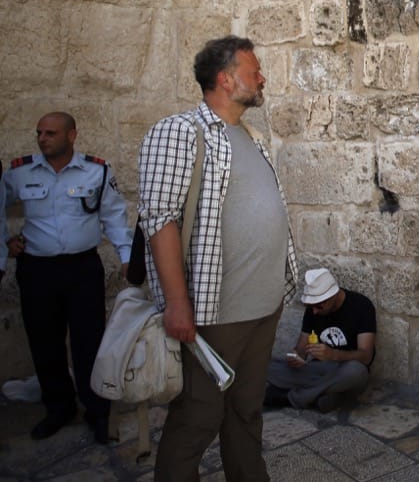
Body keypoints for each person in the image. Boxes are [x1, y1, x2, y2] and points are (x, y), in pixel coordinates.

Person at [138, 36, 299, 481]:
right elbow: (160, 219)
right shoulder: (180, 131)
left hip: (263, 307)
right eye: (254, 69)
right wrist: (176, 302)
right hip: (214, 311)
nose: (262, 77)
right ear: (226, 79)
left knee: (247, 411)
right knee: (197, 417)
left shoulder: (250, 136)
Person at [0, 112, 132, 444]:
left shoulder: (97, 171)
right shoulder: (19, 173)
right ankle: (58, 408)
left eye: (51, 133)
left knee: (90, 342)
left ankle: (98, 412)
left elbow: (114, 217)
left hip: (82, 270)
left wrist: (128, 257)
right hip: (37, 270)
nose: (43, 138)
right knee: (45, 342)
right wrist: (5, 241)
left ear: (72, 135)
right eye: (39, 133)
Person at [264, 268, 375, 412]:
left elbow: (366, 357)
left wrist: (333, 354)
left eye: (319, 306)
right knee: (265, 367)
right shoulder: (313, 310)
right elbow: (302, 349)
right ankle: (327, 395)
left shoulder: (361, 306)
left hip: (344, 370)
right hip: (318, 370)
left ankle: (294, 398)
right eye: (311, 306)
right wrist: (297, 357)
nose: (314, 311)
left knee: (356, 372)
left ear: (333, 296)